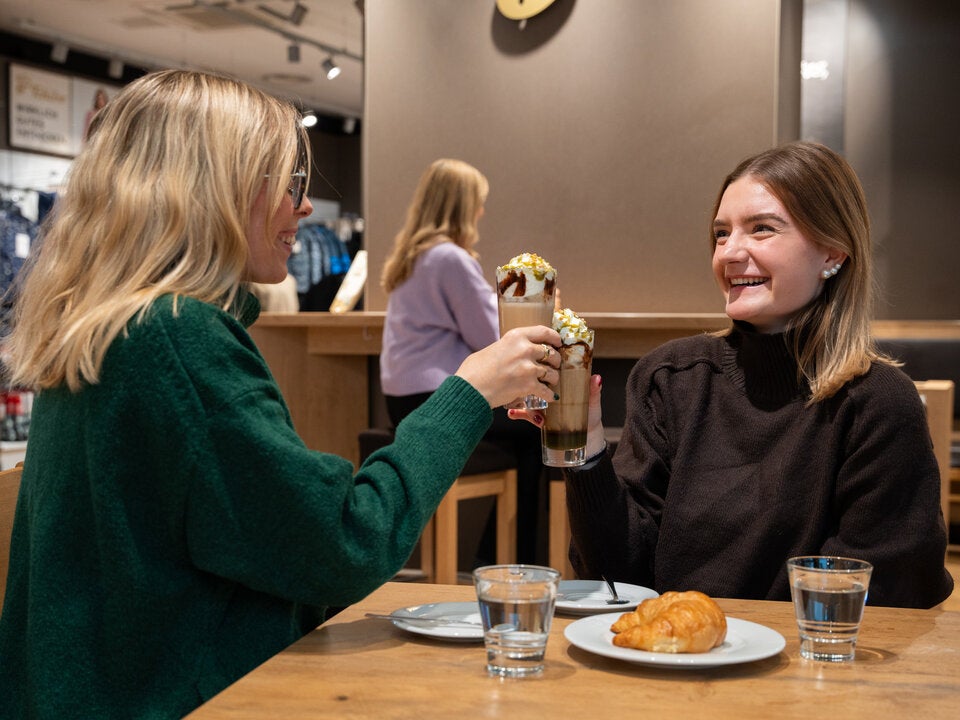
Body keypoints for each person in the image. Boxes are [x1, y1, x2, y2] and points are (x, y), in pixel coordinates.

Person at [0, 70, 561, 719]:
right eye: (289, 181)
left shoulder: (102, 330)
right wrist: (470, 390)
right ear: (213, 190)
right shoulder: (180, 341)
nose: (303, 206)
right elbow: (347, 540)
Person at [525, 141, 952, 609]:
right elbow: (616, 578)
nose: (730, 252)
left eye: (762, 229)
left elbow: (886, 594)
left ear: (833, 252)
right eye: (721, 233)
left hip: (809, 674)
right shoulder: (670, 378)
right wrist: (585, 448)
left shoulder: (875, 402)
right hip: (670, 663)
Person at [380, 158, 548, 565]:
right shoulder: (450, 259)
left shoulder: (410, 257)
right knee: (534, 432)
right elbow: (495, 339)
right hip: (439, 398)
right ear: (462, 205)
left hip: (403, 400)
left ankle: (493, 557)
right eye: (479, 201)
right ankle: (514, 561)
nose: (482, 211)